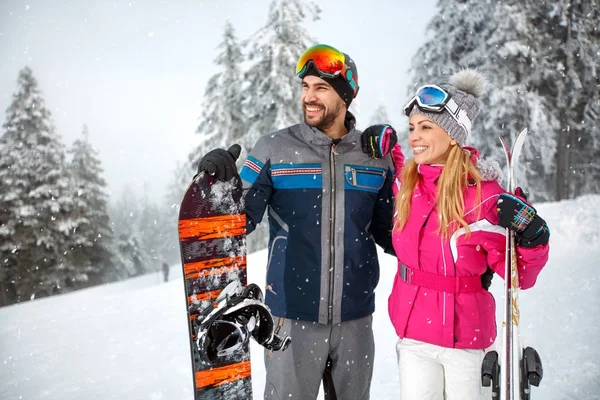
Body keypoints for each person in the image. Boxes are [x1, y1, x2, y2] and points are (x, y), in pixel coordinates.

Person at [196, 44, 397, 400]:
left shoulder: (373, 158)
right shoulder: (274, 149)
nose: (309, 97)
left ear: (347, 96)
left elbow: (395, 235)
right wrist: (218, 185)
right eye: (305, 87)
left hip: (355, 319)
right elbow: (237, 222)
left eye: (321, 88)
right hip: (291, 318)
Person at [362, 69, 550, 400]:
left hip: (465, 340)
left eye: (426, 127)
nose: (415, 136)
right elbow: (386, 218)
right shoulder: (409, 188)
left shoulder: (484, 194)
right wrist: (384, 150)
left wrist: (534, 238)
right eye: (412, 128)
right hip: (413, 337)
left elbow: (517, 274)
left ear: (452, 134)